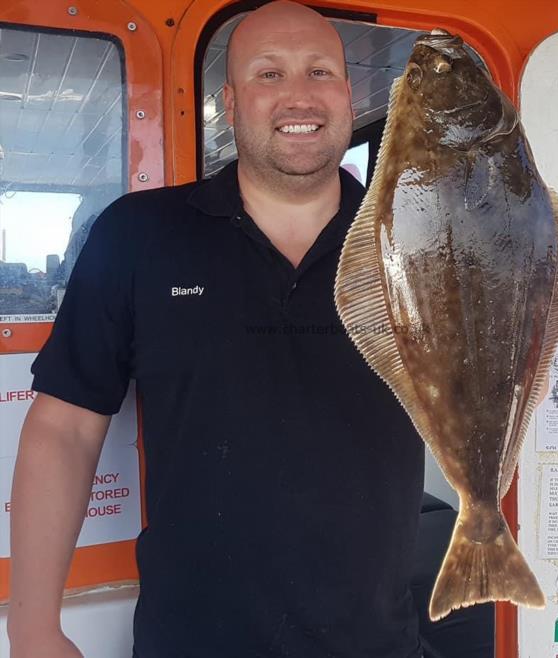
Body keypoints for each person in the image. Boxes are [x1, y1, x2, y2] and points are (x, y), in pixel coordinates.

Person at [8, 3, 427, 657]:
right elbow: (64, 428)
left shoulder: (418, 241)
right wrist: (33, 628)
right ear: (230, 103)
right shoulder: (138, 235)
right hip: (191, 640)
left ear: (347, 95)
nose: (298, 94)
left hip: (374, 639)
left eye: (320, 71)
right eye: (268, 74)